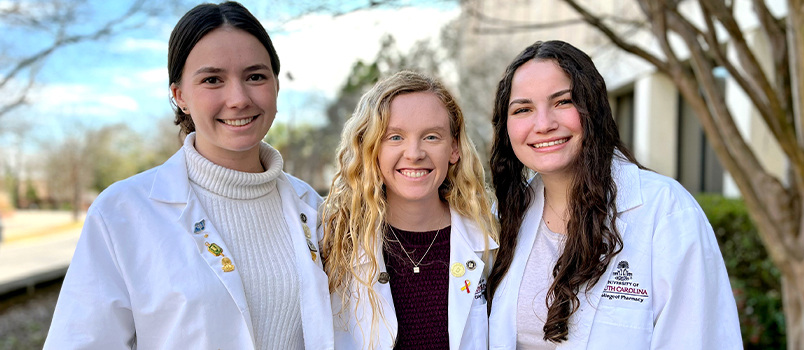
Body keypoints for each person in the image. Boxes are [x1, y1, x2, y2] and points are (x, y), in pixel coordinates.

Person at [44, 2, 333, 349]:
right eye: (213, 79)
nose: (239, 98)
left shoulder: (315, 211)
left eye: (255, 76)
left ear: (275, 86)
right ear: (180, 95)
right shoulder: (121, 213)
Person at [486, 40, 742, 349]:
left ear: (592, 108)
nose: (543, 124)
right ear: (506, 127)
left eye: (563, 101)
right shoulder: (505, 216)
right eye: (523, 109)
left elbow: (701, 338)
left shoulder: (665, 210)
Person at [321, 70, 498, 349]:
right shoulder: (334, 241)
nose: (414, 153)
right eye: (395, 137)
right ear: (371, 148)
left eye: (431, 137)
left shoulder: (490, 238)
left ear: (454, 148)